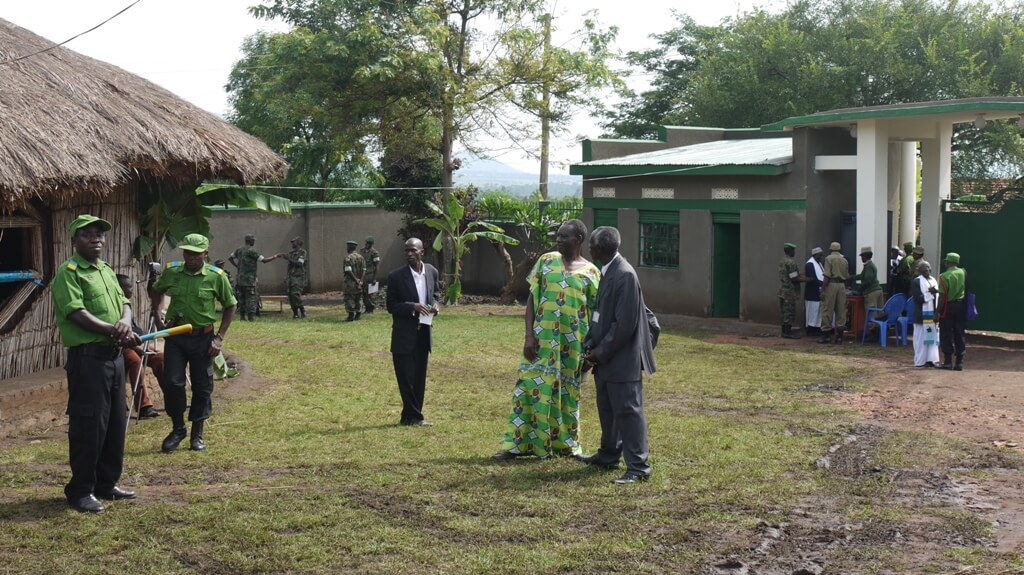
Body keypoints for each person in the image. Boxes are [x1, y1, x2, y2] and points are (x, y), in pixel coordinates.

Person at [51, 214, 141, 513]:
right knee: (89, 425)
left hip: (113, 359)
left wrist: (125, 323)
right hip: (88, 360)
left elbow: (125, 303)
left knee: (115, 422)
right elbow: (75, 313)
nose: (96, 239)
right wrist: (113, 330)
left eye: (99, 234)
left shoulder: (106, 270)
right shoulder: (69, 273)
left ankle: (106, 483)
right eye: (88, 234)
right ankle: (80, 490)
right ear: (74, 240)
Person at [493, 220, 601, 461]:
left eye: (564, 237)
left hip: (573, 347)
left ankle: (565, 445)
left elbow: (595, 315)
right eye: (558, 236)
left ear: (578, 240)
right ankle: (515, 445)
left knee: (567, 394)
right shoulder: (546, 261)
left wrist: (590, 351)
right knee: (528, 388)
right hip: (541, 342)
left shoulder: (592, 273)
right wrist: (529, 336)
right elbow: (533, 299)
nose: (558, 240)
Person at [578, 226, 656, 484]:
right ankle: (608, 454)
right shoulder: (607, 271)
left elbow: (623, 326)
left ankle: (638, 467)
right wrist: (591, 343)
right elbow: (601, 316)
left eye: (591, 245)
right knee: (608, 408)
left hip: (622, 360)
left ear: (600, 249)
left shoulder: (624, 275)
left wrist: (598, 354)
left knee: (628, 412)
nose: (589, 248)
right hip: (606, 358)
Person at [150, 233, 237, 453]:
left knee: (202, 386)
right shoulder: (172, 272)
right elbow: (156, 290)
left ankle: (197, 434)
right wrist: (158, 315)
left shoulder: (216, 276)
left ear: (205, 254)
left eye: (196, 254)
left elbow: (230, 305)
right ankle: (178, 428)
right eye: (187, 252)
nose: (191, 257)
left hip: (203, 339)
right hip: (176, 338)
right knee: (173, 383)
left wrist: (219, 338)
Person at [386, 238, 440, 426]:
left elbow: (435, 294)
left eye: (413, 250)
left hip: (423, 332)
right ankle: (414, 416)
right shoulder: (396, 276)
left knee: (419, 377)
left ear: (421, 252)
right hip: (403, 335)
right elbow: (391, 306)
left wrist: (435, 305)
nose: (409, 254)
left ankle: (410, 417)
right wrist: (413, 307)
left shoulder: (432, 272)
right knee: (405, 377)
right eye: (406, 250)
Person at [116, 274, 164, 420]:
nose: (131, 290)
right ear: (119, 288)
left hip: (139, 342)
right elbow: (120, 335)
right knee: (135, 361)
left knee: (160, 358)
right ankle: (144, 407)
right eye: (127, 287)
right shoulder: (114, 305)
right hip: (122, 346)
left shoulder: (127, 305)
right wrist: (140, 349)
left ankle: (173, 398)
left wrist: (144, 347)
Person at [228, 234, 279, 321]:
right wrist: (275, 256)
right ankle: (251, 317)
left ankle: (242, 317)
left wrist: (238, 267)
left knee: (241, 297)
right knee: (251, 298)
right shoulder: (252, 251)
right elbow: (264, 260)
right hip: (249, 280)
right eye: (253, 240)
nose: (254, 242)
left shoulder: (239, 250)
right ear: (250, 241)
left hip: (240, 279)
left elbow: (230, 258)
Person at [938, 252, 968, 370]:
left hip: (948, 307)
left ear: (948, 262)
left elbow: (942, 297)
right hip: (960, 306)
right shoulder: (963, 272)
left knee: (946, 333)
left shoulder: (943, 276)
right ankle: (959, 362)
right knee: (959, 333)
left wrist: (937, 312)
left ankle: (948, 362)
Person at [818, 242, 850, 345]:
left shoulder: (829, 258)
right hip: (841, 285)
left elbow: (827, 276)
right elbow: (846, 276)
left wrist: (823, 289)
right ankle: (839, 337)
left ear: (831, 249)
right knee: (841, 310)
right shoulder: (844, 260)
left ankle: (826, 336)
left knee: (827, 309)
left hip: (831, 284)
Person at [911, 260, 940, 368]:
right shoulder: (917, 282)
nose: (927, 270)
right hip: (921, 315)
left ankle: (931, 360)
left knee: (932, 338)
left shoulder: (933, 280)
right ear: (919, 270)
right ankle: (920, 361)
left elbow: (938, 295)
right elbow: (918, 298)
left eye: (928, 268)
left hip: (932, 314)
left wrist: (935, 293)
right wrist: (931, 293)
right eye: (924, 268)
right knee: (920, 339)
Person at [851, 246, 883, 340]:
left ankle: (872, 334)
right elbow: (862, 276)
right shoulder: (870, 265)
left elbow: (867, 281)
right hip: (878, 290)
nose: (861, 258)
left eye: (862, 256)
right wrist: (851, 277)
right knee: (878, 313)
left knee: (871, 313)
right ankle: (877, 334)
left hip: (871, 292)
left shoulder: (868, 266)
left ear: (865, 256)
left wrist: (859, 289)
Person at [778, 242, 804, 339]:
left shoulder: (782, 261)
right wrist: (807, 280)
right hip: (789, 291)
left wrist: (800, 274)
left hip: (783, 290)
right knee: (790, 312)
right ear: (790, 251)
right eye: (794, 250)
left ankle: (784, 332)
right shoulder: (791, 262)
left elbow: (788, 275)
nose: (795, 252)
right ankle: (788, 333)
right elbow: (794, 278)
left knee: (784, 312)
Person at [278, 237, 308, 319]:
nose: (292, 244)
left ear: (298, 243)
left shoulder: (303, 252)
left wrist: (288, 258)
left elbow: (300, 264)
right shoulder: (291, 253)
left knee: (295, 294)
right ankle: (295, 313)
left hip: (299, 277)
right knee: (290, 296)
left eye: (293, 242)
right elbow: (289, 266)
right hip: (291, 277)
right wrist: (286, 276)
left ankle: (302, 310)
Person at [343, 240, 365, 322]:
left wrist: (356, 280)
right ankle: (358, 314)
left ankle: (351, 315)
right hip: (359, 283)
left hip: (350, 283)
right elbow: (364, 270)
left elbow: (348, 270)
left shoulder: (348, 258)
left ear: (349, 247)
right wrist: (360, 281)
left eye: (347, 247)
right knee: (358, 298)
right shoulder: (361, 257)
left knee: (349, 298)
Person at [804, 247, 825, 335]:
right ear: (815, 255)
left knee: (818, 311)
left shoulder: (819, 263)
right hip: (812, 292)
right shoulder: (810, 264)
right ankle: (810, 329)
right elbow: (812, 279)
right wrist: (823, 283)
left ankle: (816, 328)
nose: (821, 257)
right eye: (820, 255)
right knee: (812, 312)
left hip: (819, 291)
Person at [360, 236, 381, 313]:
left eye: (368, 243)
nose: (366, 244)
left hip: (370, 275)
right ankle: (366, 307)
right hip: (362, 275)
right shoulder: (362, 251)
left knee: (369, 293)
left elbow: (377, 266)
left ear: (371, 244)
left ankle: (370, 308)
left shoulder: (374, 253)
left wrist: (374, 278)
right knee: (363, 292)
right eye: (366, 243)